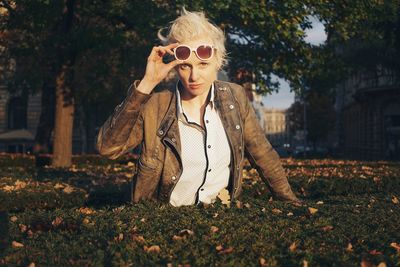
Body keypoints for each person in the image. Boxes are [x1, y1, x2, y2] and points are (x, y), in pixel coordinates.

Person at [95, 9, 302, 207]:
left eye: (203, 65)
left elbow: (263, 154)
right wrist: (147, 83)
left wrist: (291, 203)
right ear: (176, 66)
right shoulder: (155, 106)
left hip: (221, 222)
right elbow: (107, 148)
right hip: (162, 221)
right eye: (185, 66)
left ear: (218, 61)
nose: (194, 77)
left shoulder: (236, 98)